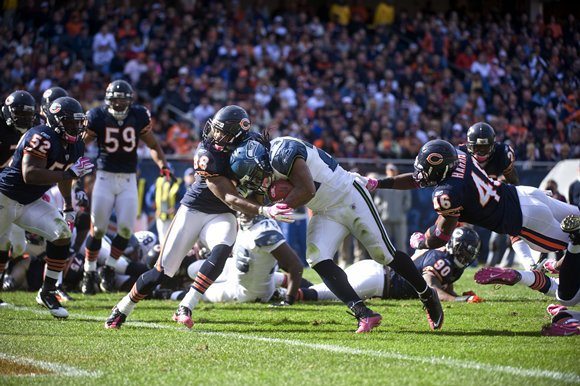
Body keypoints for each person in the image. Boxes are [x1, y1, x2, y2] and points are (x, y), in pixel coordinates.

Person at [105, 105, 294, 330]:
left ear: (237, 134)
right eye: (216, 129)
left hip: (222, 215)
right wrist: (265, 211)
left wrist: (269, 190)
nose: (215, 135)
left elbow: (260, 181)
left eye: (222, 131)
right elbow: (229, 197)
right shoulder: (208, 152)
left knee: (222, 250)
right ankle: (123, 307)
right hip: (195, 209)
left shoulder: (253, 147)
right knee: (160, 273)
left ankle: (186, 306)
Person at [230, 138, 444, 333]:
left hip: (348, 197)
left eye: (258, 175)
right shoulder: (264, 163)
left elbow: (307, 190)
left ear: (261, 161)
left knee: (384, 255)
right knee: (317, 257)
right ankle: (364, 313)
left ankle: (427, 294)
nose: (260, 182)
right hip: (325, 211)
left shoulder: (283, 152)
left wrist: (281, 206)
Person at [367, 139, 580, 321]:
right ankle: (555, 258)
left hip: (525, 219)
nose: (420, 175)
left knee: (567, 288)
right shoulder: (459, 154)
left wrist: (421, 242)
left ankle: (550, 259)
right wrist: (378, 183)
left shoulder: (448, 192)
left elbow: (441, 236)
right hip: (525, 194)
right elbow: (417, 178)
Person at [0, 96, 94, 318]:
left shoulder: (76, 144)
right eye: (69, 122)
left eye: (78, 122)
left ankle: (48, 291)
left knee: (61, 233)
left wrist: (68, 205)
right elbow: (30, 174)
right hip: (5, 197)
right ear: (55, 120)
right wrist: (68, 173)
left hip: (30, 202)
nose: (75, 127)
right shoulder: (40, 136)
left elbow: (65, 176)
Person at [82, 80, 172, 294]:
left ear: (130, 100)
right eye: (116, 99)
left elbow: (152, 144)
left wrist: (163, 166)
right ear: (108, 100)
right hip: (104, 177)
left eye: (124, 100)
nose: (120, 104)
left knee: (124, 229)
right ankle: (89, 270)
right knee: (99, 228)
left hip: (128, 178)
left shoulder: (139, 115)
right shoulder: (97, 116)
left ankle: (109, 269)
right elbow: (80, 145)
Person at [303, 227, 483, 303]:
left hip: (377, 274)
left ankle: (284, 280)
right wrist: (459, 300)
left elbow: (445, 285)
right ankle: (282, 292)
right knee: (321, 294)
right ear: (455, 246)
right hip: (378, 281)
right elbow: (431, 285)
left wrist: (456, 295)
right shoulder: (442, 259)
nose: (466, 256)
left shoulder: (451, 263)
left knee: (321, 289)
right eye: (464, 250)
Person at [180, 213, 304, 305]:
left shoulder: (264, 230)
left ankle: (169, 293)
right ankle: (287, 288)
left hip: (248, 292)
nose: (239, 206)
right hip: (242, 273)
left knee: (197, 291)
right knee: (193, 269)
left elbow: (295, 265)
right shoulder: (241, 221)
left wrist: (289, 300)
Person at [459, 122, 534, 269]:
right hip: (470, 200)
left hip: (494, 201)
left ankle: (522, 264)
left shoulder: (502, 154)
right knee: (461, 231)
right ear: (469, 146)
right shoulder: (461, 155)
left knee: (511, 230)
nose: (481, 152)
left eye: (485, 147)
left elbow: (514, 182)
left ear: (493, 145)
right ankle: (456, 260)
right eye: (477, 147)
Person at [0, 90, 36, 305]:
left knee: (18, 246)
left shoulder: (33, 129)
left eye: (27, 115)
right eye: (19, 114)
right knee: (2, 240)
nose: (23, 119)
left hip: (10, 191)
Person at [373, 164, 412, 252]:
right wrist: (382, 210)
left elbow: (407, 201)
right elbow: (377, 200)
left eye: (393, 170)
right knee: (385, 245)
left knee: (401, 244)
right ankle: (385, 265)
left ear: (396, 171)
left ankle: (402, 265)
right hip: (386, 219)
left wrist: (402, 211)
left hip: (399, 219)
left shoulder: (402, 183)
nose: (391, 172)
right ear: (387, 171)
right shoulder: (382, 184)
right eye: (389, 170)